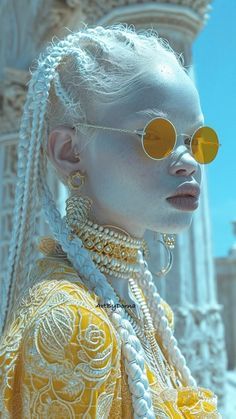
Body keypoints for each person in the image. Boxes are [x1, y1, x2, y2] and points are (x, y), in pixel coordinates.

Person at [0, 24, 221, 418]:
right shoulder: (71, 323)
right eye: (156, 137)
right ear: (70, 151)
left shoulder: (142, 305)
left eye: (197, 141)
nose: (188, 162)